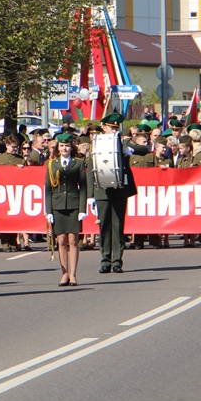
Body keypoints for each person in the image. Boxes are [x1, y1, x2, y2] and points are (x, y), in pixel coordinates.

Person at [86, 113, 137, 274]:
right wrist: (90, 195)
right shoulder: (97, 144)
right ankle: (105, 260)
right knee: (104, 226)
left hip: (120, 190)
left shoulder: (122, 143)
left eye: (116, 128)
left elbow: (143, 148)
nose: (113, 131)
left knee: (118, 226)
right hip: (102, 191)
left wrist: (129, 149)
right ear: (104, 127)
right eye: (111, 127)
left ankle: (117, 261)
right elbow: (90, 170)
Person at [45, 132, 87, 287]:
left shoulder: (78, 163)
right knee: (61, 240)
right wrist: (48, 210)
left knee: (73, 240)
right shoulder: (52, 164)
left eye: (67, 146)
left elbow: (83, 187)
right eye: (62, 146)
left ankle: (73, 274)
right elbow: (48, 189)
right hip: (57, 206)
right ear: (58, 148)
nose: (64, 148)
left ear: (71, 147)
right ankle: (64, 274)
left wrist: (82, 208)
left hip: (74, 205)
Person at [0, 133, 26, 252]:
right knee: (4, 220)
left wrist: (23, 169)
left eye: (16, 147)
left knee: (14, 220)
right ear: (6, 146)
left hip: (16, 193)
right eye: (12, 146)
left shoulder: (20, 159)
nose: (14, 149)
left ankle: (13, 242)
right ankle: (5, 244)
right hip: (3, 193)